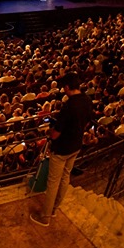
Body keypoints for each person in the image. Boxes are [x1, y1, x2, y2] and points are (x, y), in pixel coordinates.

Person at [30, 72, 94, 226]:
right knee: (65, 178)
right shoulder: (87, 100)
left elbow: (56, 134)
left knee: (53, 182)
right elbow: (87, 122)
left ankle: (45, 217)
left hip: (62, 149)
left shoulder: (69, 106)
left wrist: (49, 132)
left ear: (67, 87)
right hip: (76, 145)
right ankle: (54, 209)